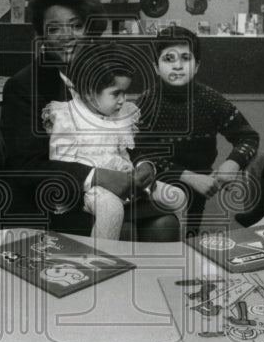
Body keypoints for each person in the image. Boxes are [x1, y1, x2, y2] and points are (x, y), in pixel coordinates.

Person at [0, 0, 179, 240]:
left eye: (76, 25)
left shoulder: (106, 74)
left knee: (166, 224)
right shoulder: (24, 85)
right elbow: (26, 167)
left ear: (90, 30)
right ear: (41, 35)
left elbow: (128, 138)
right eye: (55, 28)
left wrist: (143, 163)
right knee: (124, 231)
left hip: (118, 191)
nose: (67, 35)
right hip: (61, 198)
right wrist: (96, 177)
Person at [43, 40, 186, 238]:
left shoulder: (121, 115)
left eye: (125, 92)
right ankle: (101, 260)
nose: (123, 100)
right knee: (111, 209)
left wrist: (142, 168)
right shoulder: (68, 118)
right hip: (92, 189)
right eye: (116, 93)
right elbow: (62, 166)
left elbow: (126, 150)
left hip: (127, 180)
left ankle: (181, 251)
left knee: (178, 196)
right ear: (89, 93)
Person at [134, 26, 260, 233]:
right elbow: (139, 154)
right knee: (164, 234)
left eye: (185, 58)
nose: (178, 66)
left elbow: (248, 137)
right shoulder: (146, 102)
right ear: (156, 67)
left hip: (200, 189)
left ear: (197, 65)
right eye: (169, 59)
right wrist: (187, 176)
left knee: (191, 239)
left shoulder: (210, 99)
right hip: (157, 186)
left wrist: (233, 162)